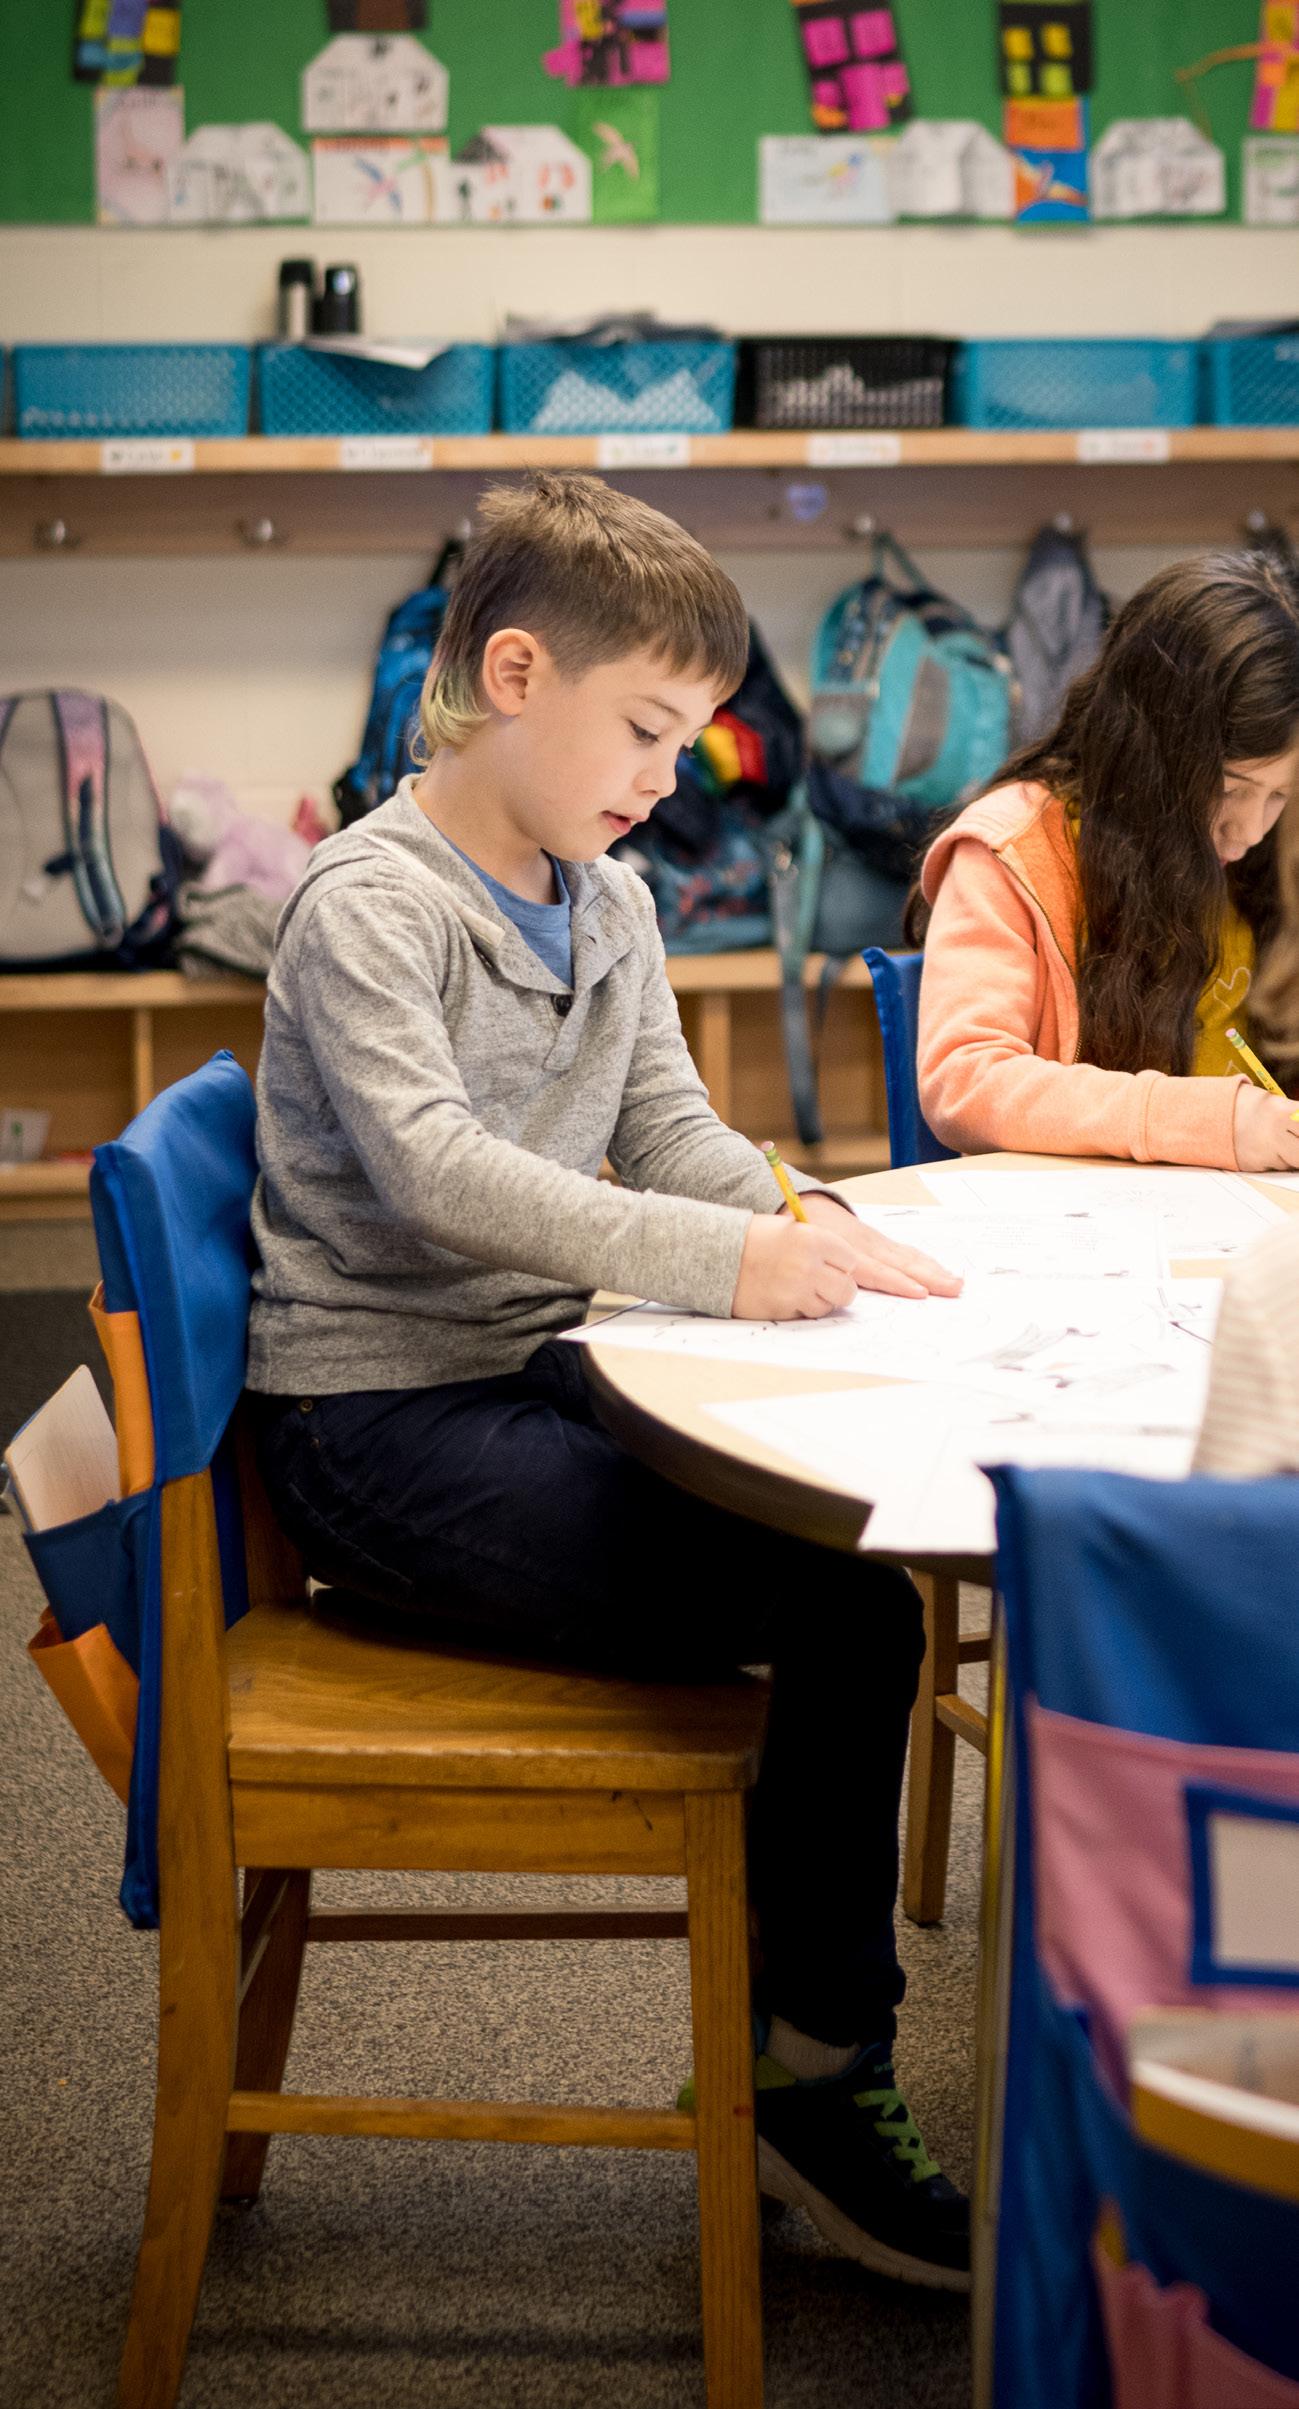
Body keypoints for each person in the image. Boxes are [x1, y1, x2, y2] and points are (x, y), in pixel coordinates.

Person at [246, 472, 970, 2291]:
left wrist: (799, 1215)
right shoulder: (367, 902)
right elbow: (437, 1173)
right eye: (645, 728)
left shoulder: (612, 895)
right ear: (513, 675)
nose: (668, 772)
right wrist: (727, 1262)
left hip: (533, 1364)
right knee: (848, 1614)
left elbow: (664, 1127)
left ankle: (790, 2040)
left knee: (847, 1532)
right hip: (373, 1423)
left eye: (685, 735)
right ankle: (813, 2077)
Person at [912, 551, 1299, 1170]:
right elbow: (965, 1081)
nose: (1251, 830)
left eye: (1281, 795)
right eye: (1228, 790)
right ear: (1150, 754)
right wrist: (1207, 1121)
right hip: (1082, 1216)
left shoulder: (1277, 855)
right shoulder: (1015, 852)